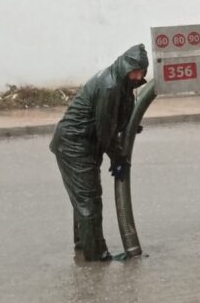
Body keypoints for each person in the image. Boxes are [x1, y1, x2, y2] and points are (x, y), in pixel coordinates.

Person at [50, 44, 148, 261]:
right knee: (89, 200)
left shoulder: (121, 81)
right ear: (125, 66)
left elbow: (112, 117)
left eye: (142, 72)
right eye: (135, 71)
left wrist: (129, 127)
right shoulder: (110, 86)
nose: (138, 77)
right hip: (74, 144)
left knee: (84, 198)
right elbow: (105, 131)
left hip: (83, 142)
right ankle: (96, 255)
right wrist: (118, 158)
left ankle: (85, 244)